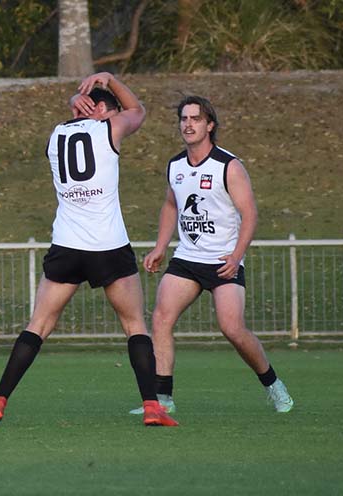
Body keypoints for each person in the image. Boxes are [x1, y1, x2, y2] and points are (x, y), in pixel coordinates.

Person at [0, 72, 178, 428]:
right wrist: (109, 79)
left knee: (38, 325)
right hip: (108, 245)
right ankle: (152, 407)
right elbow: (138, 111)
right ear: (102, 111)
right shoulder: (109, 129)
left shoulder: (56, 135)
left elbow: (84, 119)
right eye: (111, 111)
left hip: (67, 245)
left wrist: (74, 101)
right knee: (135, 325)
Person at [129, 95, 293, 416]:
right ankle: (162, 399)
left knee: (232, 329)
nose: (188, 124)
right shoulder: (176, 166)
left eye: (196, 119)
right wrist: (161, 247)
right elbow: (171, 205)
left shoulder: (228, 166)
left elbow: (250, 214)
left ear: (210, 125)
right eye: (184, 119)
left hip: (222, 260)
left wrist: (236, 256)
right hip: (187, 258)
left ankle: (273, 384)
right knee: (161, 319)